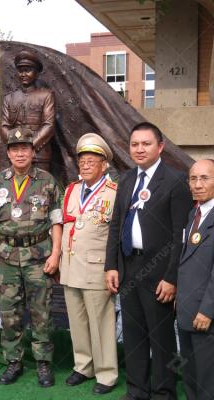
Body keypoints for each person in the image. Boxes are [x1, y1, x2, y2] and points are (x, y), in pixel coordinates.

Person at [105, 122, 193, 400]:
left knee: (162, 338)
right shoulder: (127, 179)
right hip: (130, 267)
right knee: (133, 335)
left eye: (146, 144)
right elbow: (116, 224)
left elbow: (182, 233)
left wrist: (172, 277)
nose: (139, 149)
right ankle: (137, 391)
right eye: (134, 144)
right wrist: (111, 265)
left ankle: (164, 392)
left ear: (160, 147)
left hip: (160, 273)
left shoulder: (176, 180)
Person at [0, 127, 63, 387]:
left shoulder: (47, 181)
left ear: (33, 151)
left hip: (39, 255)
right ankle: (14, 361)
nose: (20, 153)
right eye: (15, 149)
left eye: (25, 148)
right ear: (8, 153)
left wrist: (57, 254)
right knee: (9, 312)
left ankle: (43, 363)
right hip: (6, 257)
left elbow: (57, 220)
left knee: (41, 311)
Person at [60, 133, 118, 395]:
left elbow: (116, 236)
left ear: (104, 164)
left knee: (101, 323)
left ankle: (106, 374)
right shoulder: (71, 190)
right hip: (71, 267)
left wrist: (112, 268)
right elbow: (64, 226)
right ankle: (83, 366)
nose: (84, 164)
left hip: (97, 269)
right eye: (82, 160)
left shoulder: (114, 193)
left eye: (91, 160)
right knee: (77, 321)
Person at [177, 159, 214, 400]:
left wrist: (208, 310)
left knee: (208, 379)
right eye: (193, 179)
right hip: (186, 308)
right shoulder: (194, 213)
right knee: (190, 371)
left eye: (205, 178)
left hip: (206, 313)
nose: (197, 184)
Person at [0, 50, 55, 171]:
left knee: (41, 188)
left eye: (28, 70)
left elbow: (49, 125)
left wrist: (30, 146)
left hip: (39, 154)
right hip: (15, 156)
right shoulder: (9, 98)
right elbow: (4, 126)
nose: (23, 74)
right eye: (20, 71)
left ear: (36, 73)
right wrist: (16, 147)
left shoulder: (46, 95)